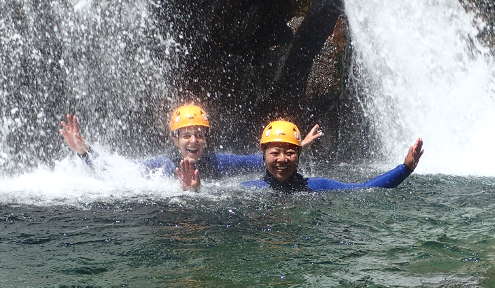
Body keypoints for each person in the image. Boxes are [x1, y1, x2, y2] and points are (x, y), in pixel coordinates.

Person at [59, 105, 323, 191]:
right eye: (186, 135)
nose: (193, 141)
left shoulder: (220, 162)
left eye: (199, 135)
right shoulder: (161, 166)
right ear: (175, 140)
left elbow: (265, 160)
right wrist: (84, 151)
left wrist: (296, 145)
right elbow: (116, 173)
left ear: (206, 139)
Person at [241, 120, 424, 192]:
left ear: (299, 154)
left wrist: (405, 168)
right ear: (263, 154)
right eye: (275, 153)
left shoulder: (317, 186)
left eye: (290, 153)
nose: (282, 159)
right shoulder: (247, 189)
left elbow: (363, 189)